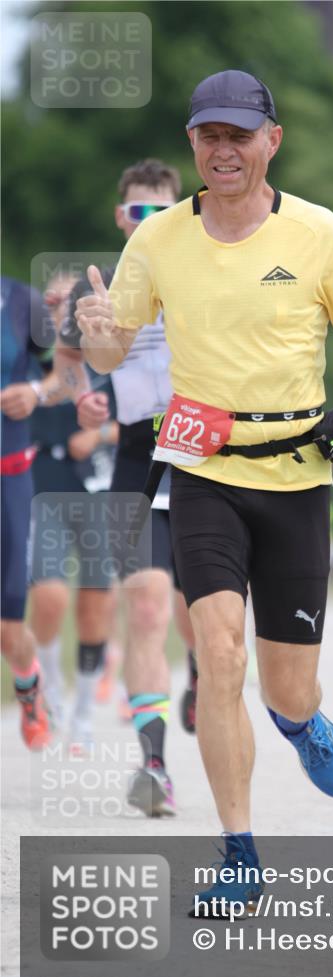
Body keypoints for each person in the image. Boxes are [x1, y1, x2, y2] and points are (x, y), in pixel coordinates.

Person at [75, 69, 333, 912]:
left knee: (284, 686)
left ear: (272, 141)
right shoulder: (158, 241)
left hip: (295, 477)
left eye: (239, 135)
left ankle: (299, 722)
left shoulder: (319, 233)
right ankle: (239, 854)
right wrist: (99, 335)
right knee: (218, 656)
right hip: (201, 470)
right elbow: (113, 350)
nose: (223, 150)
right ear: (193, 144)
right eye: (208, 136)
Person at [58, 159, 197, 815]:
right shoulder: (98, 290)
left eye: (162, 211)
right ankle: (154, 766)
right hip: (136, 461)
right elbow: (68, 362)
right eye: (139, 211)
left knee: (205, 620)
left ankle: (201, 674)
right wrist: (82, 400)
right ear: (122, 217)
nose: (150, 221)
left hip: (207, 458)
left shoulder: (205, 274)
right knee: (146, 610)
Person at [29, 270, 118, 749]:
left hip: (98, 484)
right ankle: (50, 687)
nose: (61, 306)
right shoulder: (33, 356)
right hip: (44, 478)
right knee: (50, 596)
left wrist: (99, 434)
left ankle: (83, 712)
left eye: (70, 298)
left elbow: (141, 421)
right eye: (53, 299)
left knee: (95, 602)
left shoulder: (110, 352)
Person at [0, 275, 58, 749]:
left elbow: (68, 375)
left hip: (9, 476)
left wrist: (36, 391)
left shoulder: (23, 303)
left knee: (7, 628)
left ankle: (28, 682)